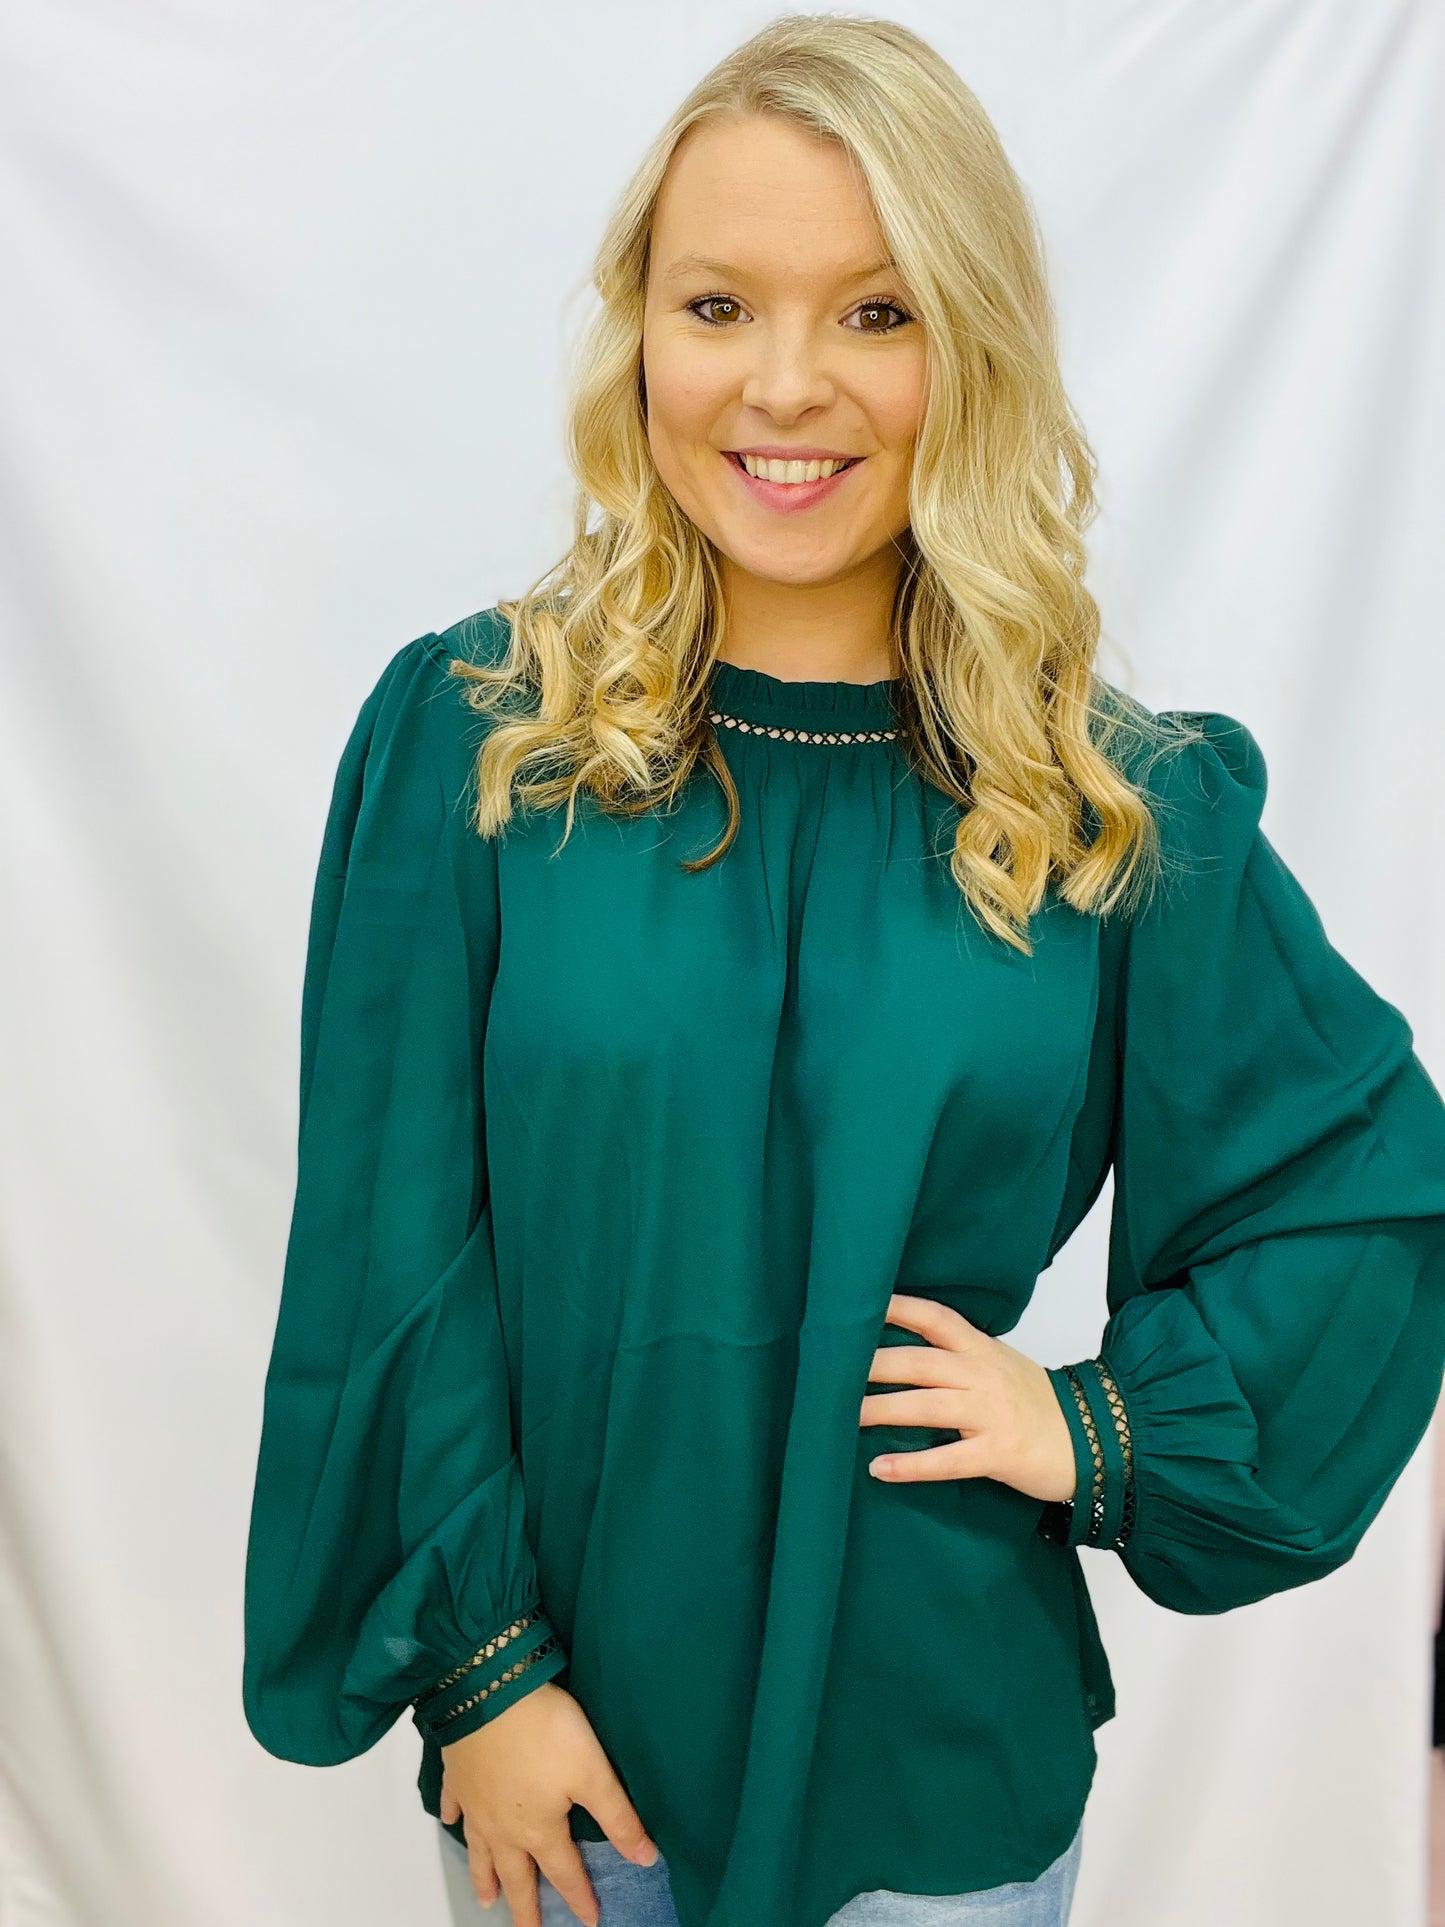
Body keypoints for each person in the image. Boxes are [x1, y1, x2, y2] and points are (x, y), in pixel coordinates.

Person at [241, 16, 1445, 1927]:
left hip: (939, 1765)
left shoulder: (1111, 808)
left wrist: (1091, 1427)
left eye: (876, 313)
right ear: (640, 330)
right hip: (565, 1763)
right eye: (718, 304)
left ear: (968, 345)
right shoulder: (476, 745)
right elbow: (394, 1248)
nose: (784, 383)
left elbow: (1361, 1191)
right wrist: (479, 1669)